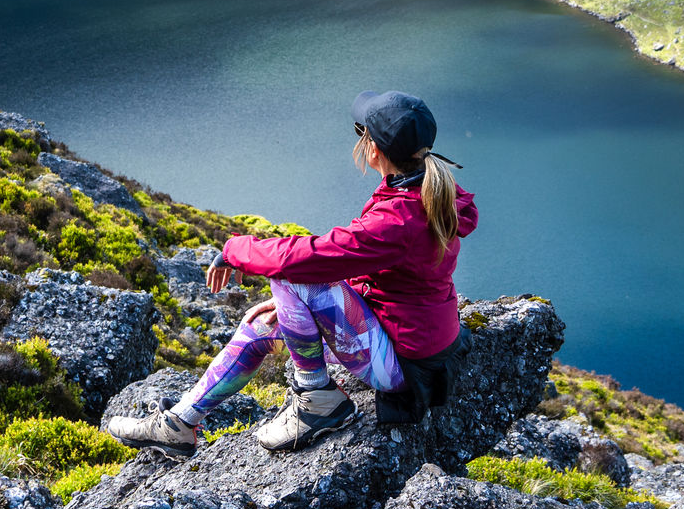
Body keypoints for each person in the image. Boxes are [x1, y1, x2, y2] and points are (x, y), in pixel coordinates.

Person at [108, 90, 477, 454]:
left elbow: (309, 258)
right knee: (263, 326)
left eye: (360, 131)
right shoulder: (422, 188)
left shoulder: (399, 218)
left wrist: (235, 250)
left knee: (291, 276)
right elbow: (384, 269)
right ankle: (178, 424)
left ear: (374, 150)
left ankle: (317, 400)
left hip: (405, 366)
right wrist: (294, 310)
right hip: (408, 340)